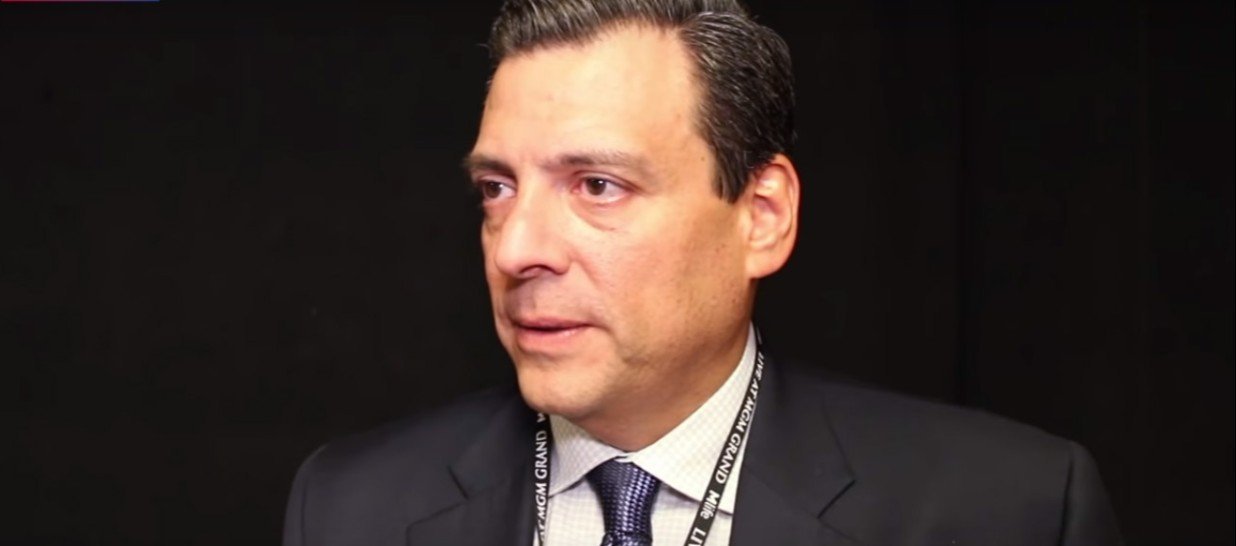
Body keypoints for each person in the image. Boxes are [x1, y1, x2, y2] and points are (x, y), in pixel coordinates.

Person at [282, 1, 1122, 544]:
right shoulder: (352, 511)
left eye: (597, 185)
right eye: (497, 189)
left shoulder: (1008, 512)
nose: (515, 249)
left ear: (762, 217)